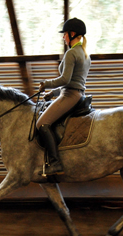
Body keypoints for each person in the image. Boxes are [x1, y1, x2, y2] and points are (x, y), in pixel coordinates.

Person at [37, 18, 91, 176]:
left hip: (70, 95)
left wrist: (46, 84)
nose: (63, 37)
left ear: (73, 34)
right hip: (76, 94)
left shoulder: (71, 53)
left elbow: (65, 80)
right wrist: (52, 94)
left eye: (65, 34)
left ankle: (54, 163)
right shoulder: (85, 53)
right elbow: (74, 81)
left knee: (42, 124)